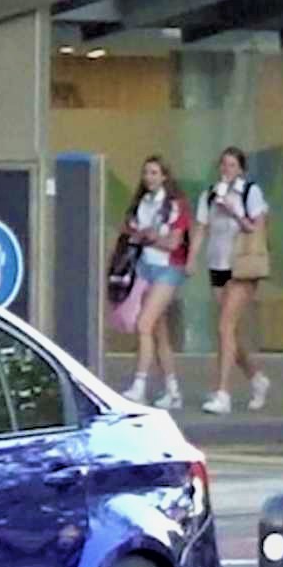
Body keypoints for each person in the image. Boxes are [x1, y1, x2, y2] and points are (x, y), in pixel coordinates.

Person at [192, 146, 272, 414]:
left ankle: (222, 392)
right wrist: (192, 258)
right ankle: (256, 378)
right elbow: (201, 229)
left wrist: (234, 211)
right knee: (229, 332)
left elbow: (256, 227)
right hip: (218, 263)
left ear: (241, 169)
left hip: (242, 265)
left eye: (232, 166)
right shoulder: (210, 194)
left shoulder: (250, 192)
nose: (226, 170)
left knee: (224, 327)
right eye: (223, 165)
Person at [119, 156, 192, 409]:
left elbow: (173, 242)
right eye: (146, 173)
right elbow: (132, 231)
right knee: (159, 333)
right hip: (145, 267)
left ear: (164, 176)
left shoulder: (175, 205)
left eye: (154, 173)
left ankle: (139, 385)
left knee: (144, 324)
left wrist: (148, 237)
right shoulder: (142, 202)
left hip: (167, 269)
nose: (148, 178)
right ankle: (173, 390)